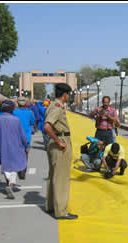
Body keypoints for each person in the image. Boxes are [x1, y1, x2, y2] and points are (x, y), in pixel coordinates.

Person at [43, 83, 78, 220]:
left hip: (58, 142)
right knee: (61, 178)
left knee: (54, 175)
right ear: (65, 94)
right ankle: (61, 210)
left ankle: (52, 205)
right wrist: (59, 141)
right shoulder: (57, 107)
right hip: (61, 142)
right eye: (69, 94)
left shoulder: (53, 105)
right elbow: (47, 126)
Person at [0, 100, 28, 200]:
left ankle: (9, 182)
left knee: (6, 165)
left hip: (2, 147)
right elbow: (22, 135)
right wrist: (26, 145)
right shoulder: (16, 120)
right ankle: (11, 184)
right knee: (15, 166)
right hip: (16, 147)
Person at [13, 97, 36, 179]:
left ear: (18, 103)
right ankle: (23, 170)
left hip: (16, 136)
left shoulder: (14, 112)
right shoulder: (30, 113)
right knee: (25, 154)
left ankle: (19, 169)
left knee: (17, 153)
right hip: (26, 136)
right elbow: (33, 122)